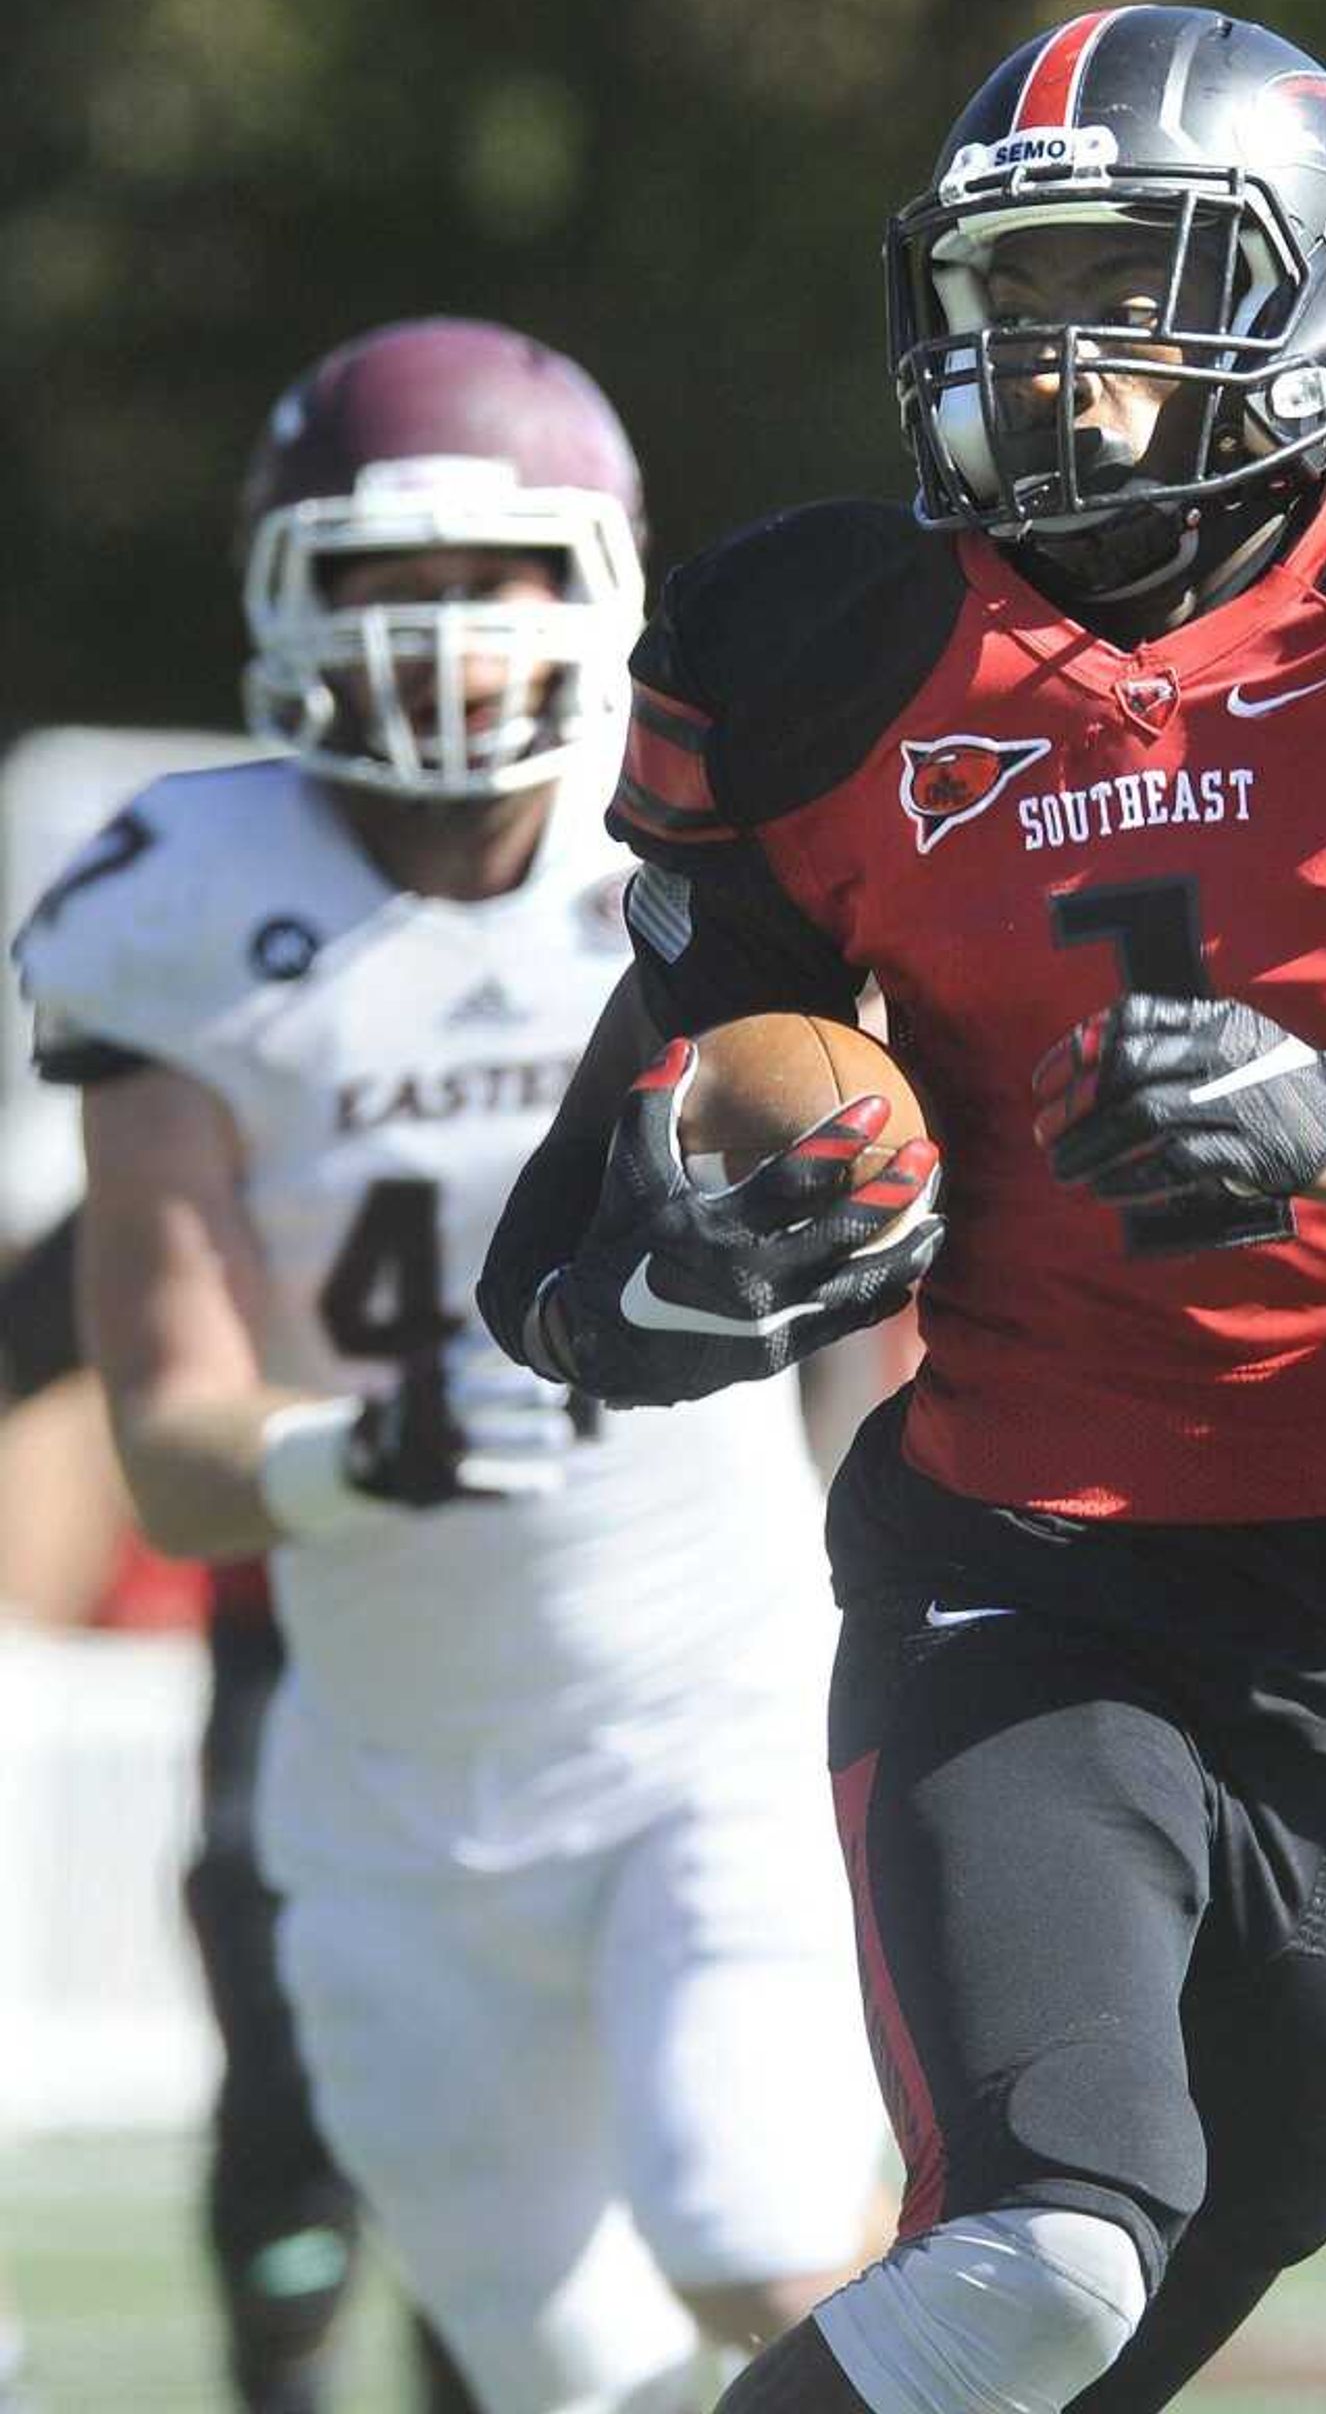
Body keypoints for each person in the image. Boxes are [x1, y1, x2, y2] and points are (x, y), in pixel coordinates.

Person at [477, 3, 1326, 2414]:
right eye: (1015, 294)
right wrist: (689, 1272)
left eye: (1133, 281)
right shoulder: (820, 662)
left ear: (1315, 292)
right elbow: (562, 1261)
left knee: (1149, 2301)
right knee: (1036, 2258)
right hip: (1029, 1558)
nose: (1056, 354)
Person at [14, 317, 886, 2414]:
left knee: (759, 2234)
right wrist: (360, 1451)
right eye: (382, 583)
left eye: (488, 578)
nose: (437, 641)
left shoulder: (712, 849)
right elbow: (176, 1442)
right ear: (284, 593)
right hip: (393, 1791)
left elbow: (889, 1261)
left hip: (712, 1725)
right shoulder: (179, 907)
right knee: (562, 2370)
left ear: (596, 583)